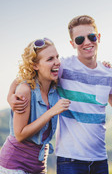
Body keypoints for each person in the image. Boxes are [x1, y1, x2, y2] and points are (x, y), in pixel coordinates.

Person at [8, 15, 112, 174]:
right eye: (79, 39)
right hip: (69, 159)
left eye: (91, 36)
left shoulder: (108, 72)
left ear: (98, 37)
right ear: (72, 44)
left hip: (100, 158)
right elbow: (26, 76)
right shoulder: (62, 66)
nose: (86, 42)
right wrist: (10, 96)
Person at [0, 38, 70, 173]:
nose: (57, 62)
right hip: (14, 166)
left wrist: (103, 65)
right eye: (50, 59)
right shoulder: (25, 90)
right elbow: (20, 134)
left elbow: (17, 78)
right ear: (35, 65)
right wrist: (51, 112)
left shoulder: (54, 85)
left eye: (57, 57)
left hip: (38, 166)